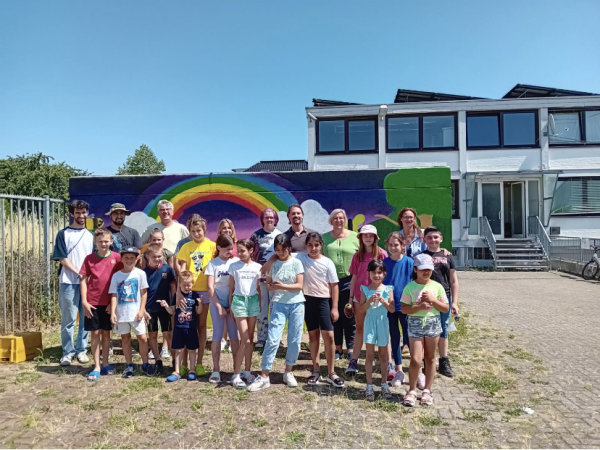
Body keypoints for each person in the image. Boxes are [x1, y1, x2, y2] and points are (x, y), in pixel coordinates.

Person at [247, 234, 305, 392]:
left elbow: (299, 286)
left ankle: (288, 371)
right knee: (272, 339)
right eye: (277, 250)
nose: (280, 253)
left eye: (283, 250)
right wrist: (272, 286)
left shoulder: (297, 262)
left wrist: (283, 286)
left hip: (297, 304)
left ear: (289, 249)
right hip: (278, 304)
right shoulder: (273, 264)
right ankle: (264, 375)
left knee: (294, 340)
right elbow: (270, 284)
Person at [400, 253, 449, 407]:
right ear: (415, 269)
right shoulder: (410, 287)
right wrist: (419, 306)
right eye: (422, 269)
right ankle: (412, 389)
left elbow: (445, 307)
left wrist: (433, 300)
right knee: (415, 358)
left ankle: (427, 390)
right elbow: (404, 309)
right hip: (415, 323)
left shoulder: (437, 286)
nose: (426, 272)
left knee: (430, 357)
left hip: (433, 323)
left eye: (429, 269)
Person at [297, 232, 344, 388]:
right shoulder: (300, 258)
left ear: (321, 245)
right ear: (306, 246)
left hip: (324, 301)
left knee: (329, 336)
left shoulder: (327, 262)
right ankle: (316, 370)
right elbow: (281, 253)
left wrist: (335, 307)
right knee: (313, 336)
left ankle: (331, 372)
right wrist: (270, 261)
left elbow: (334, 286)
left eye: (316, 245)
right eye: (310, 245)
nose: (313, 248)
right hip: (307, 301)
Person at [52, 199, 94, 367]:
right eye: (77, 212)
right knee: (68, 318)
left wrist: (87, 276)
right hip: (68, 281)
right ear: (72, 214)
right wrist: (79, 272)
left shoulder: (91, 235)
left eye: (83, 212)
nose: (81, 215)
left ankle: (81, 350)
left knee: (86, 317)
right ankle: (67, 352)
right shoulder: (63, 234)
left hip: (87, 283)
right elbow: (62, 257)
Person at [79, 228, 123, 381]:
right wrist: (84, 301)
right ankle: (96, 365)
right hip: (93, 303)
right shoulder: (89, 259)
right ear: (95, 242)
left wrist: (113, 303)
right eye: (100, 242)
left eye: (106, 241)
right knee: (95, 334)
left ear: (111, 242)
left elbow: (120, 280)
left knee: (106, 333)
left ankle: (105, 363)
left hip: (109, 303)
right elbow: (83, 280)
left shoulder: (117, 258)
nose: (103, 244)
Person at [345, 224, 388, 376]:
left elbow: (385, 276)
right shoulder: (358, 256)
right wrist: (351, 297)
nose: (368, 238)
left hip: (378, 297)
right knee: (360, 329)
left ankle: (386, 362)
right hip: (359, 297)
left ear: (375, 238)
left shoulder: (382, 254)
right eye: (365, 235)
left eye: (371, 235)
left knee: (381, 329)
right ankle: (354, 360)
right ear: (361, 238)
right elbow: (354, 278)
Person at [176, 214, 216, 375]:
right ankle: (185, 363)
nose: (197, 233)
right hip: (189, 292)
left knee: (200, 326)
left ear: (204, 230)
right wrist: (179, 292)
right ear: (190, 232)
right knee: (187, 326)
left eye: (199, 230)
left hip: (205, 291)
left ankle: (199, 362)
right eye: (193, 231)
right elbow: (183, 272)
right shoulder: (186, 247)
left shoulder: (212, 246)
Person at [109, 246, 155, 377]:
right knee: (125, 338)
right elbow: (113, 295)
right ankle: (129, 364)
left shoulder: (140, 274)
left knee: (142, 337)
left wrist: (142, 310)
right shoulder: (116, 276)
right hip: (122, 314)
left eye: (132, 258)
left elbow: (144, 293)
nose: (129, 260)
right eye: (126, 258)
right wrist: (113, 312)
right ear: (121, 259)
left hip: (136, 314)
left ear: (137, 259)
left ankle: (145, 363)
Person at [423, 226, 459, 378]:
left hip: (444, 298)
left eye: (435, 237)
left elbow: (454, 281)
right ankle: (428, 361)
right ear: (424, 240)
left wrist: (455, 302)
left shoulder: (448, 257)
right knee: (427, 330)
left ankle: (444, 361)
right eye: (429, 238)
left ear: (441, 239)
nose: (433, 240)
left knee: (443, 329)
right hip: (426, 298)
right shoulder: (422, 256)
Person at [322, 208, 359, 362]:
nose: (338, 220)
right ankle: (337, 348)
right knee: (334, 316)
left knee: (349, 315)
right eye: (335, 218)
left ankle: (350, 348)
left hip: (350, 281)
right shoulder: (324, 238)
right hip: (330, 282)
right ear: (331, 221)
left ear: (345, 220)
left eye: (341, 218)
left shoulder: (356, 237)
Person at [205, 234, 240, 384]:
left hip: (233, 304)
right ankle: (216, 369)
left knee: (234, 336)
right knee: (217, 336)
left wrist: (232, 305)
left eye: (232, 249)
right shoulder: (213, 264)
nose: (230, 252)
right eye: (227, 249)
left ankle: (236, 371)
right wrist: (219, 306)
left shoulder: (236, 262)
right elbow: (210, 287)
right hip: (216, 303)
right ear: (218, 247)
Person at [228, 239, 262, 388]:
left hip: (253, 302)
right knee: (245, 338)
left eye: (243, 251)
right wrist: (230, 306)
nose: (240, 253)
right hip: (239, 302)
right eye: (238, 250)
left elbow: (259, 288)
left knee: (250, 338)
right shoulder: (234, 266)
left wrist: (259, 305)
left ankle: (247, 372)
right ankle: (236, 374)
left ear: (251, 251)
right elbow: (231, 288)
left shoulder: (257, 267)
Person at [359, 260, 395, 401]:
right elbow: (361, 310)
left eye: (379, 272)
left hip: (382, 323)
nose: (377, 275)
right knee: (369, 355)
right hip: (369, 322)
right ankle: (369, 385)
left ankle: (384, 383)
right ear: (369, 273)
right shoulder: (365, 289)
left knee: (383, 355)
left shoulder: (388, 289)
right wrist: (369, 301)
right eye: (374, 272)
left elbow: (392, 309)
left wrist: (384, 301)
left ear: (384, 274)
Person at [158, 271, 202, 382]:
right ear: (179, 285)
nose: (187, 287)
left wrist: (200, 304)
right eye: (184, 285)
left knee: (192, 350)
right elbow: (172, 311)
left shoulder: (195, 296)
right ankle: (177, 371)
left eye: (189, 284)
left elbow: (198, 311)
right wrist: (166, 306)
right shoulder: (176, 296)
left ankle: (192, 370)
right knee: (178, 350)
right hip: (179, 328)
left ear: (192, 283)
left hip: (191, 328)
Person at [382, 232, 413, 387]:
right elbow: (382, 284)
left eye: (396, 245)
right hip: (391, 307)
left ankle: (416, 370)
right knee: (394, 338)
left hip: (407, 306)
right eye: (391, 245)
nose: (393, 247)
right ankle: (399, 370)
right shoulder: (384, 263)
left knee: (410, 338)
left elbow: (415, 284)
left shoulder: (409, 263)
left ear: (403, 246)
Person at [249, 208, 282, 348]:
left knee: (276, 309)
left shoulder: (280, 235)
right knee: (262, 309)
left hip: (276, 279)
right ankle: (262, 338)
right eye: (266, 217)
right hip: (261, 279)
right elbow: (251, 256)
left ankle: (276, 338)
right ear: (262, 219)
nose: (269, 219)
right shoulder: (256, 236)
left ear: (275, 219)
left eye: (271, 217)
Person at [143, 244, 177, 374]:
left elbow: (173, 288)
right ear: (147, 257)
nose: (157, 259)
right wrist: (143, 309)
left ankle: (174, 360)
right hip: (150, 308)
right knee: (152, 334)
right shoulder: (144, 272)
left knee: (168, 334)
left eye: (159, 256)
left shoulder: (168, 269)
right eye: (154, 257)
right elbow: (142, 292)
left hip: (165, 308)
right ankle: (158, 360)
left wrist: (172, 305)